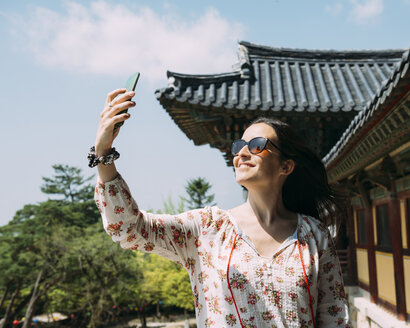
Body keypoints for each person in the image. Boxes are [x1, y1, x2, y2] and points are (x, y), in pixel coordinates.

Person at [93, 88, 351, 327]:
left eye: (258, 146)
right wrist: (103, 151)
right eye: (238, 146)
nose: (242, 153)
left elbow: (334, 316)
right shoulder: (207, 229)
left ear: (286, 166)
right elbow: (127, 228)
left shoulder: (314, 235)